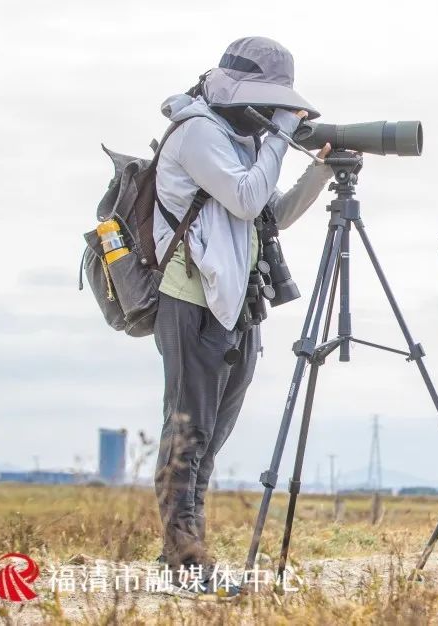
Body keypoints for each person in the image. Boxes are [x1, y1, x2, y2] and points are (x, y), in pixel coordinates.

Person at [152, 36, 333, 590]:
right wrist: (280, 134)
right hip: (192, 298)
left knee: (211, 436)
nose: (270, 114)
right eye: (266, 102)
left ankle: (183, 555)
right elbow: (247, 199)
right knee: (188, 435)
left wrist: (322, 170)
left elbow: (268, 213)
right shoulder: (199, 131)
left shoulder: (239, 139)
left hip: (236, 303)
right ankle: (185, 564)